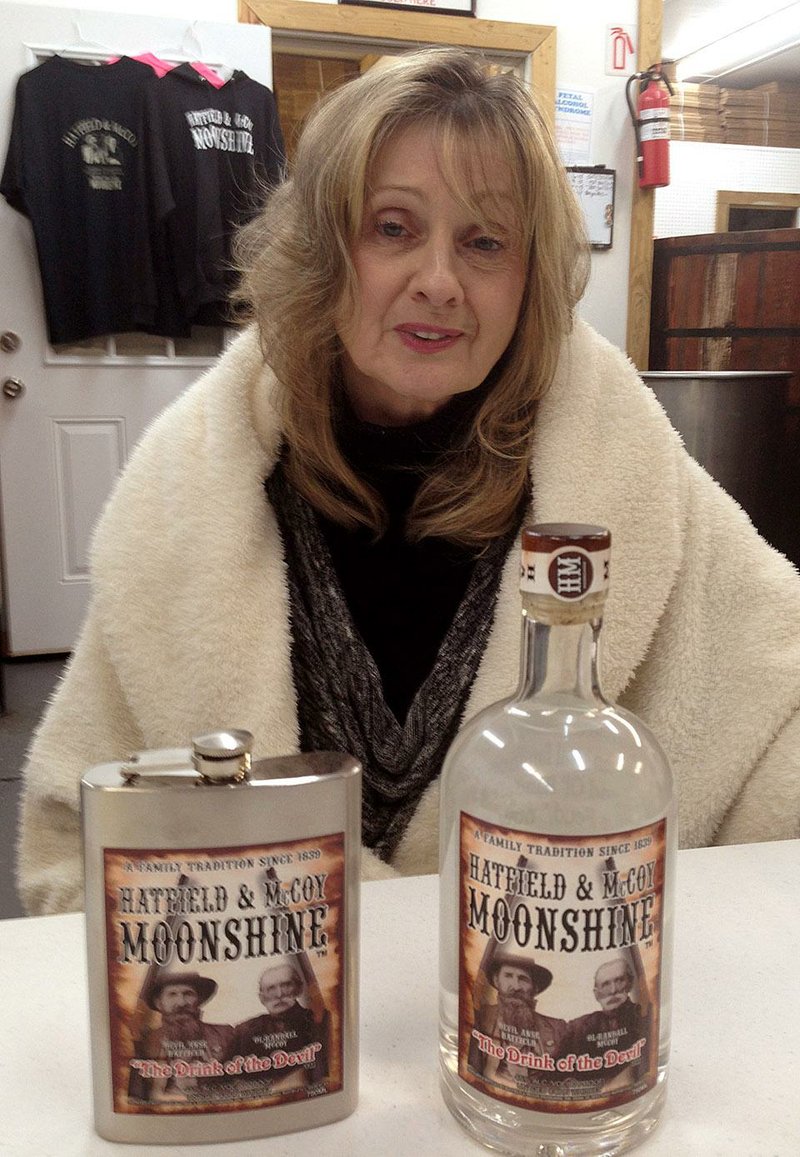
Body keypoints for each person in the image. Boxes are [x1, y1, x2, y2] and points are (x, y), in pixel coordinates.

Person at [16, 47, 800, 917]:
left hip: (540, 1005)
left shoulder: (627, 471)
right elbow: (72, 839)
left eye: (485, 241)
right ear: (321, 249)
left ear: (529, 276)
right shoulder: (197, 489)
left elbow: (778, 687)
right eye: (392, 227)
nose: (439, 282)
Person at [134, 971, 234, 1104]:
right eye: (172, 994)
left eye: (188, 994)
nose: (181, 1003)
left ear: (198, 999)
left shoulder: (226, 1035)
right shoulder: (144, 1043)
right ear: (159, 1003)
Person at [468, 953, 566, 1084]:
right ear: (497, 981)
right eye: (508, 976)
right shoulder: (479, 1017)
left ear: (534, 988)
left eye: (523, 979)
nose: (515, 986)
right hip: (484, 1095)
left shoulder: (557, 1029)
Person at [231, 960, 327, 1087]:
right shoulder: (244, 1031)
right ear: (262, 997)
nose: (279, 994)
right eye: (271, 988)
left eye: (286, 985)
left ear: (299, 989)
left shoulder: (319, 1021)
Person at [559, 957, 651, 1088]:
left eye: (619, 981)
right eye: (605, 984)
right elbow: (552, 1071)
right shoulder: (577, 1027)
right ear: (596, 994)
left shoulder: (645, 1016)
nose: (613, 990)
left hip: (633, 1100)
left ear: (630, 983)